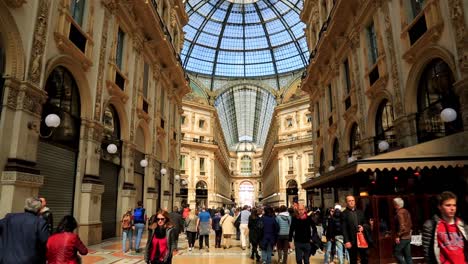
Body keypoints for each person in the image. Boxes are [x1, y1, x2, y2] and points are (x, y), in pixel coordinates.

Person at [0, 197, 49, 263]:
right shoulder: (40, 222)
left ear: (25, 207)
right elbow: (44, 242)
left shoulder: (10, 217)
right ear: (39, 209)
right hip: (29, 261)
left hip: (6, 260)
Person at [422, 191, 467, 263]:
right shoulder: (431, 225)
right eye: (448, 205)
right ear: (440, 207)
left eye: (454, 205)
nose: (452, 208)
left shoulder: (462, 224)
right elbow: (427, 252)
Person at [342, 195, 372, 264]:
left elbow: (366, 223)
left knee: (364, 258)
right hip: (351, 240)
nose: (351, 202)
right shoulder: (344, 214)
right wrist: (346, 241)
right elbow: (344, 229)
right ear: (346, 203)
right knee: (353, 260)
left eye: (353, 200)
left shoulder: (360, 212)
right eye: (349, 201)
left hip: (362, 239)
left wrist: (363, 227)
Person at [393, 197, 413, 264]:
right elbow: (410, 224)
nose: (393, 205)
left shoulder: (399, 213)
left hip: (403, 237)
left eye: (394, 204)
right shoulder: (406, 211)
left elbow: (402, 226)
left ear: (397, 205)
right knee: (408, 256)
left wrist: (398, 236)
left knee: (396, 252)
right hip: (408, 236)